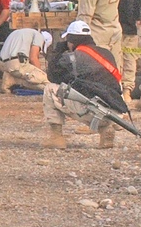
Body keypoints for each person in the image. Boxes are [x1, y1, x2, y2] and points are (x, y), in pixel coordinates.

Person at [42, 20, 126, 149]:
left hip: (93, 111)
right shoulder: (106, 53)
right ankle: (105, 130)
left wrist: (58, 51)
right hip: (115, 112)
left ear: (70, 41)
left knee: (50, 89)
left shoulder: (73, 58)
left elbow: (52, 77)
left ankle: (56, 137)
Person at [0, 28, 50, 92]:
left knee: (24, 76)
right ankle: (49, 89)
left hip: (2, 64)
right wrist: (40, 73)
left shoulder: (19, 32)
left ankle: (11, 79)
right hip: (15, 64)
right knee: (42, 78)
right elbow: (33, 58)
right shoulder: (39, 36)